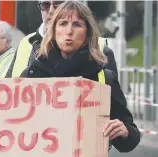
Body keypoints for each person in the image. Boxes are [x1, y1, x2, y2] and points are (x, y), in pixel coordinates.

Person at [20, 1, 140, 152]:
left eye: (77, 24)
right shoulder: (33, 74)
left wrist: (124, 132)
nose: (69, 31)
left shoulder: (103, 77)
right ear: (53, 30)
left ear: (88, 33)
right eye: (63, 23)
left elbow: (129, 136)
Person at [6, 0, 118, 78]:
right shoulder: (26, 44)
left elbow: (117, 109)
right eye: (45, 5)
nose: (50, 11)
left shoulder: (102, 48)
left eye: (58, 3)